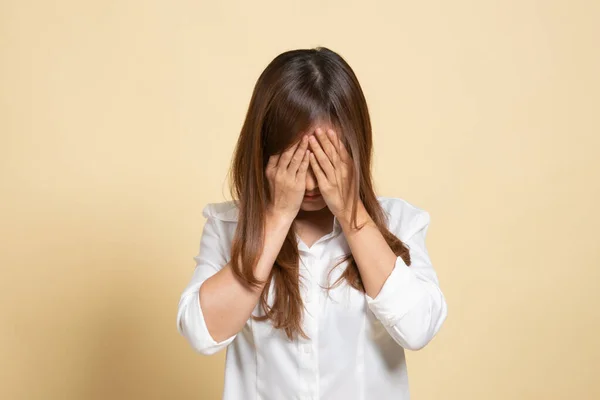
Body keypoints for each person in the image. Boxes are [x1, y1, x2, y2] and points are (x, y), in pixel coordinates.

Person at [176, 47, 448, 400]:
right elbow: (202, 333)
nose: (310, 183)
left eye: (326, 160)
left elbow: (418, 329)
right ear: (266, 151)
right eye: (297, 162)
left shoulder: (399, 222)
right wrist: (276, 218)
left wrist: (353, 217)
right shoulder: (227, 226)